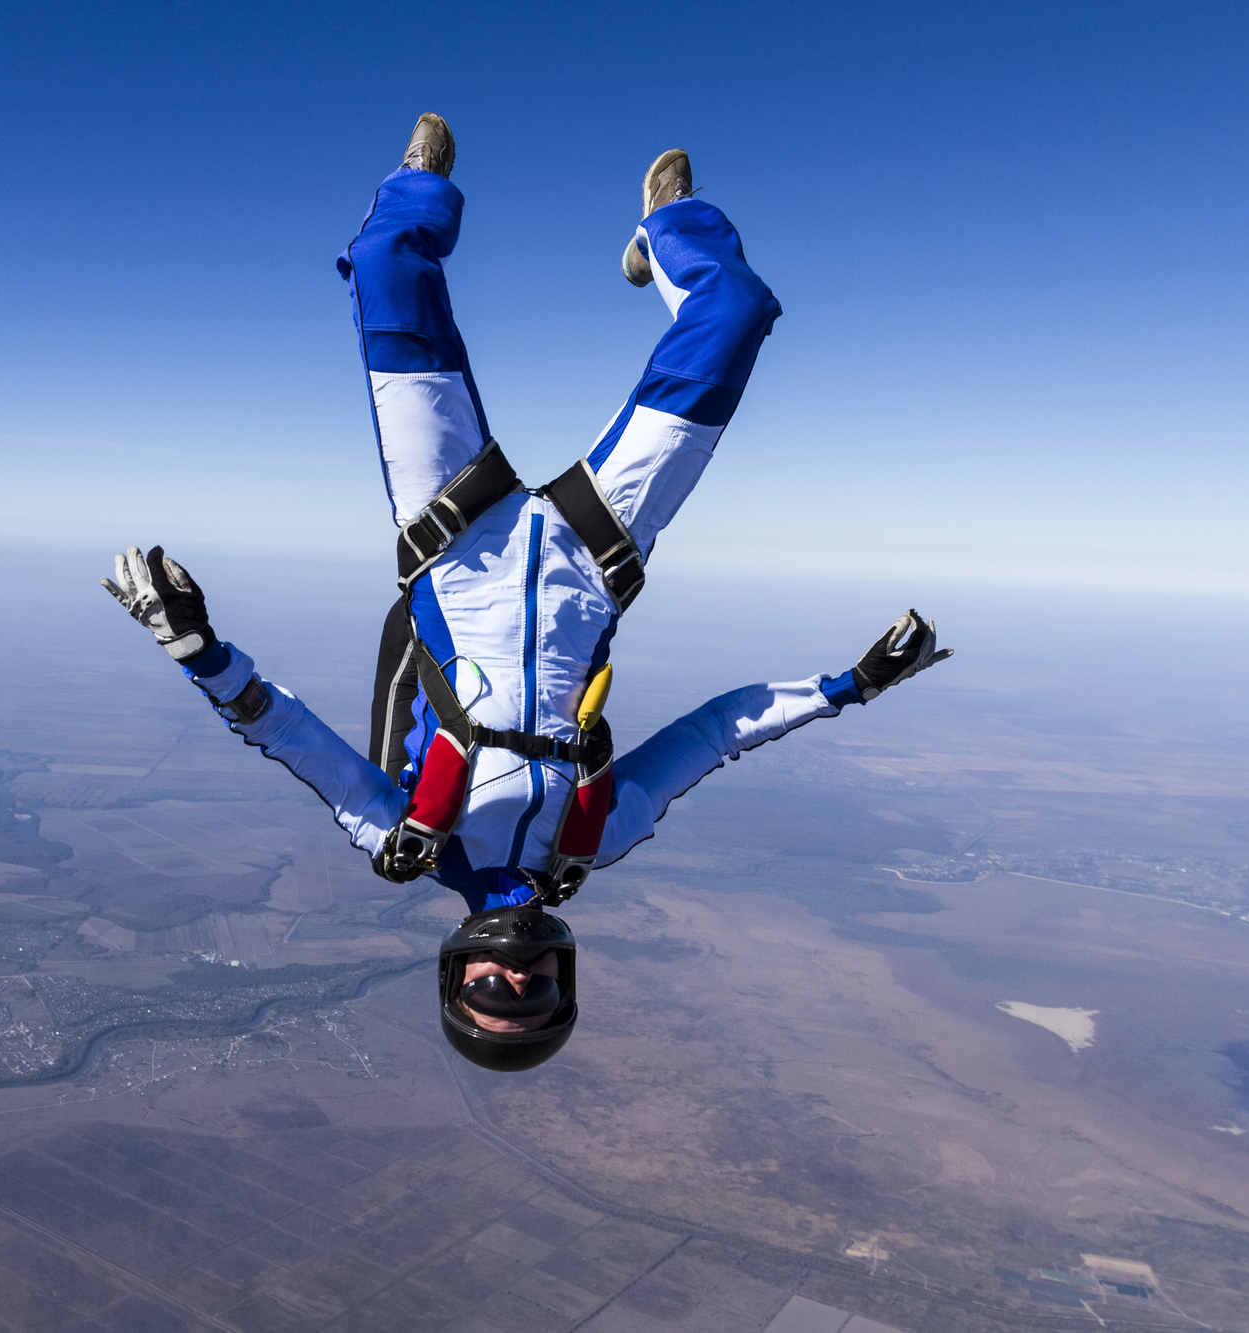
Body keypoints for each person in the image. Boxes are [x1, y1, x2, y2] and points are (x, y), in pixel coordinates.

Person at [102, 115, 951, 1071]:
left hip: (456, 549)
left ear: (453, 970)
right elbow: (718, 731)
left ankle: (418, 183)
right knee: (737, 315)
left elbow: (289, 735)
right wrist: (850, 684)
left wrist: (198, 651)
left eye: (492, 993)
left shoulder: (410, 841)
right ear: (565, 973)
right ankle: (667, 227)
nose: (515, 974)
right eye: (536, 992)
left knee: (388, 267)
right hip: (596, 555)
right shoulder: (597, 837)